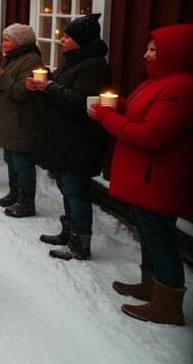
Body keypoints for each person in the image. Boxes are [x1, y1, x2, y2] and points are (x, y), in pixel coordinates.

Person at [90, 23, 193, 326]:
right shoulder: (155, 83)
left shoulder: (182, 88)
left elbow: (151, 134)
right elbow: (139, 113)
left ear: (176, 55)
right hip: (144, 177)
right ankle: (151, 285)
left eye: (153, 50)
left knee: (160, 238)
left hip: (157, 179)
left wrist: (108, 116)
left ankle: (168, 303)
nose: (145, 55)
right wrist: (117, 104)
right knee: (148, 234)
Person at [28, 14, 111, 260]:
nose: (61, 40)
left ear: (81, 40)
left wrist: (49, 87)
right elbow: (60, 91)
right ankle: (69, 231)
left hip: (81, 141)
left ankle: (80, 241)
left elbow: (82, 102)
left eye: (67, 36)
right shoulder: (72, 61)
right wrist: (41, 84)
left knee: (76, 191)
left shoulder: (94, 66)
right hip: (64, 138)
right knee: (67, 187)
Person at [0, 23, 44, 217]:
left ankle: (26, 202)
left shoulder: (31, 61)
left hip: (21, 120)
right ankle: (14, 193)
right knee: (10, 158)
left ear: (19, 42)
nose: (3, 43)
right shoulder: (9, 59)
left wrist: (1, 78)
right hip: (8, 118)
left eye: (8, 39)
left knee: (22, 162)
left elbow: (21, 91)